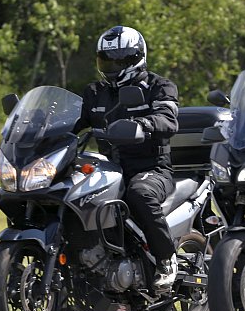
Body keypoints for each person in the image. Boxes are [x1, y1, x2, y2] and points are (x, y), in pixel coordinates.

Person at [74, 25, 179, 291]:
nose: (112, 66)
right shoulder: (95, 92)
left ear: (136, 58)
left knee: (139, 193)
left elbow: (168, 119)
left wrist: (144, 124)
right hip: (109, 170)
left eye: (120, 60)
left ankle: (167, 259)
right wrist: (39, 127)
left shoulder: (158, 85)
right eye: (107, 60)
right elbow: (73, 122)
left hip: (152, 169)